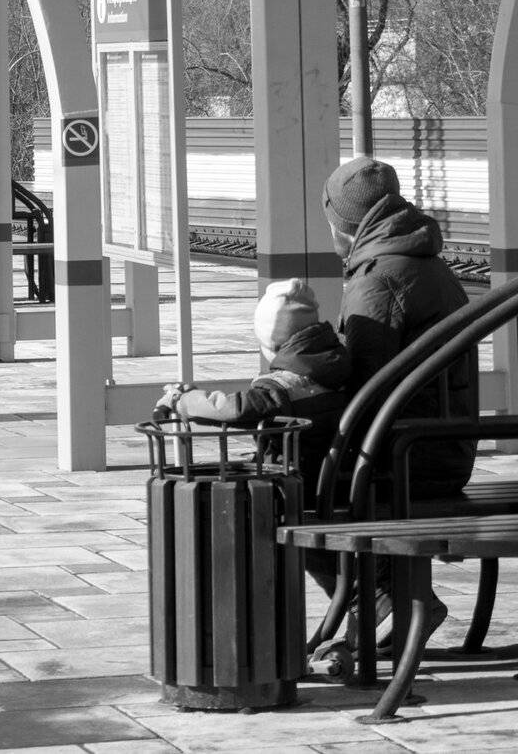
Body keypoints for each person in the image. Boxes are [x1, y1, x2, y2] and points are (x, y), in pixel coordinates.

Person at [322, 154, 478, 648]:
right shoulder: (422, 260)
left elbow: (364, 390)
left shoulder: (378, 279)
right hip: (441, 445)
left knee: (289, 491)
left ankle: (387, 599)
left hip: (413, 458)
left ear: (343, 223)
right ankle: (388, 602)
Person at [156, 277, 350, 505]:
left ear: (273, 345)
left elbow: (235, 409)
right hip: (333, 478)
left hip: (294, 487)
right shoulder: (338, 365)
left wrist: (181, 400)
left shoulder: (280, 388)